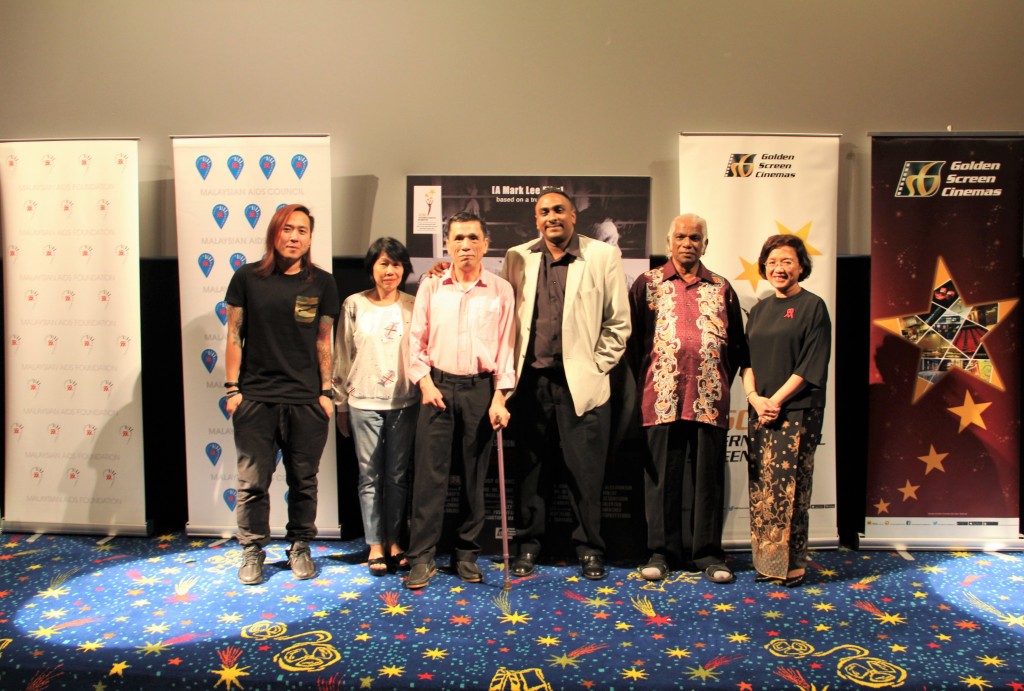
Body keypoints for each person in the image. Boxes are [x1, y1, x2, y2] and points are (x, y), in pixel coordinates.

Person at [501, 188, 630, 580]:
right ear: (536, 220)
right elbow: (504, 314)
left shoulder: (602, 255)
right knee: (531, 471)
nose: (551, 217)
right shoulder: (517, 256)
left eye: (559, 210)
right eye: (544, 212)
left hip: (582, 385)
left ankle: (589, 549)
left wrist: (596, 367)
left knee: (586, 472)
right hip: (530, 384)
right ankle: (528, 546)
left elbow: (618, 323)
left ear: (574, 215)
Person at [627, 214, 748, 584]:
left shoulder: (722, 288)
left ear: (705, 244)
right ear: (669, 242)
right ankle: (661, 553)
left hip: (709, 398)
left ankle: (708, 554)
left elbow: (737, 347)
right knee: (662, 479)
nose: (687, 243)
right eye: (681, 237)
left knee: (707, 479)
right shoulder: (648, 284)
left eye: (695, 238)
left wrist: (714, 375)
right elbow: (632, 344)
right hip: (660, 396)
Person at [224, 203, 339, 585]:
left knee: (304, 482)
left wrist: (326, 392)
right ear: (274, 232)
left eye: (302, 230)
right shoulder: (247, 277)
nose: (294, 237)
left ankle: (300, 545)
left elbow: (324, 339)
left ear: (310, 237)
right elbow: (234, 335)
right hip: (256, 398)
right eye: (287, 229)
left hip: (306, 401)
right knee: (252, 483)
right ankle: (253, 549)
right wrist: (232, 389)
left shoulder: (322, 283)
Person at [404, 211, 515, 589]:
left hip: (481, 391)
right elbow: (416, 340)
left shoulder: (500, 290)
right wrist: (424, 383)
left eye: (472, 238)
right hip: (436, 387)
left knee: (474, 477)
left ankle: (466, 554)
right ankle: (422, 557)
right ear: (447, 244)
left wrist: (500, 398)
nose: (465, 245)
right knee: (429, 478)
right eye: (458, 239)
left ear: (486, 244)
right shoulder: (432, 285)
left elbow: (506, 348)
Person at [742, 234, 831, 588]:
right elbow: (746, 361)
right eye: (773, 262)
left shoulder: (813, 306)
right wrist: (754, 398)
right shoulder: (759, 310)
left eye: (787, 262)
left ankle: (792, 564)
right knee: (762, 487)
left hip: (796, 411)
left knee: (792, 487)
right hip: (759, 410)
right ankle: (767, 561)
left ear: (801, 267)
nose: (779, 268)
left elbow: (811, 364)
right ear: (764, 267)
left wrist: (775, 400)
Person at [332, 237, 418, 576]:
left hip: (404, 401)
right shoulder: (353, 305)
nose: (390, 270)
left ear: (404, 269)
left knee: (397, 476)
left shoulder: (413, 306)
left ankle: (395, 541)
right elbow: (341, 356)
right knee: (369, 476)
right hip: (362, 402)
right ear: (371, 268)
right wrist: (340, 405)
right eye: (383, 263)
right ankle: (375, 545)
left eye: (396, 264)